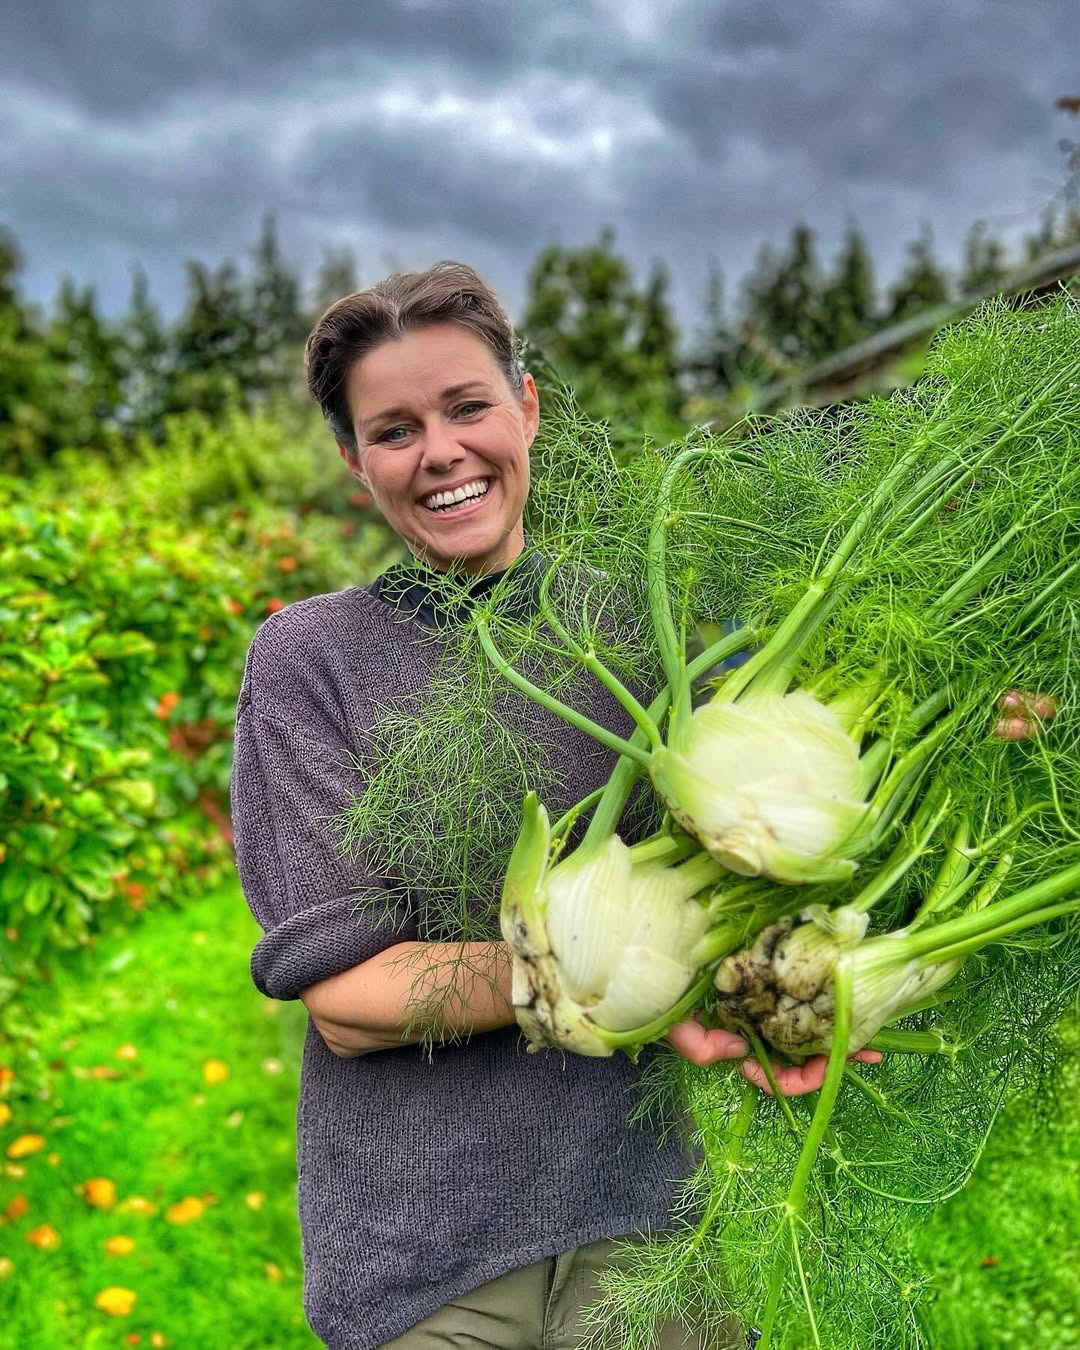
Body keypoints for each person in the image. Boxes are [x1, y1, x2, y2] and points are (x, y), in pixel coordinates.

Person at [229, 261, 1049, 1349]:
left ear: (526, 405)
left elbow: (799, 836)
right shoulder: (309, 659)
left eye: (468, 406)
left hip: (650, 1219)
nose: (440, 452)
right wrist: (595, 979)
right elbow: (345, 995)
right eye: (393, 429)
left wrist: (959, 720)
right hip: (425, 1255)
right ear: (354, 461)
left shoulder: (656, 617)